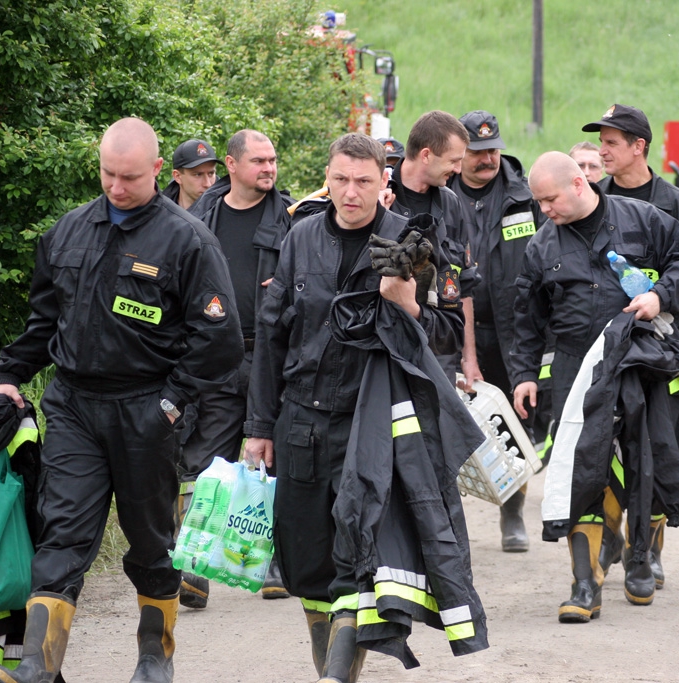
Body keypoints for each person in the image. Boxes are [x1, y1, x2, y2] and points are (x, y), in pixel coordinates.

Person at [0, 117, 243, 683]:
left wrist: (172, 404)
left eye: (129, 177)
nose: (117, 187)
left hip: (146, 411)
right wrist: (10, 375)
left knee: (151, 543)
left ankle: (155, 655)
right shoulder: (68, 232)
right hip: (75, 406)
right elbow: (43, 322)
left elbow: (220, 341)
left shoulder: (187, 240)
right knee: (62, 531)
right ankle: (36, 663)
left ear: (157, 170)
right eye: (108, 174)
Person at [242, 133, 485, 680]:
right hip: (302, 420)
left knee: (358, 560)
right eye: (341, 180)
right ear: (327, 179)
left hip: (372, 427)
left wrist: (408, 303)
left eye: (364, 182)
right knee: (307, 567)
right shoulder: (300, 237)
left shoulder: (414, 243)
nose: (350, 193)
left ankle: (336, 677)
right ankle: (327, 666)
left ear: (385, 183)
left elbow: (448, 331)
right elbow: (271, 335)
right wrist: (260, 426)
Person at [510, 151, 679, 622]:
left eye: (550, 199)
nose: (544, 210)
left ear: (579, 184)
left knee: (654, 461)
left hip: (643, 360)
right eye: (538, 202)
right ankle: (584, 585)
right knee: (583, 472)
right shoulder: (541, 246)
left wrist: (660, 295)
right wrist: (522, 377)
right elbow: (526, 320)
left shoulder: (645, 220)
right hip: (579, 368)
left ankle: (640, 557)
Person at [582, 103, 679, 586]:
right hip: (604, 351)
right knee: (600, 452)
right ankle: (612, 541)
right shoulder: (592, 200)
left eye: (612, 142)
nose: (602, 150)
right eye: (600, 141)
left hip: (661, 351)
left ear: (639, 147)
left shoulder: (674, 203)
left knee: (659, 451)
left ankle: (652, 546)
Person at [185, 129, 294, 606]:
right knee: (203, 461)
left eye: (272, 160)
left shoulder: (292, 219)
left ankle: (274, 563)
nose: (269, 168)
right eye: (259, 161)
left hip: (273, 355)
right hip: (217, 355)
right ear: (231, 165)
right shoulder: (199, 217)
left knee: (275, 460)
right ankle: (194, 566)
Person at [446, 110, 544, 553]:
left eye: (492, 150)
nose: (487, 160)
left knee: (513, 424)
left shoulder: (527, 197)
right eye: (476, 152)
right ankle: (446, 517)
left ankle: (512, 511)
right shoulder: (441, 194)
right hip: (452, 329)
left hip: (513, 330)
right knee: (446, 423)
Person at [386, 111, 476, 380]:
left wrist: (466, 357)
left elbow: (460, 284)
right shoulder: (379, 194)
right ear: (426, 155)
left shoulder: (451, 204)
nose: (459, 170)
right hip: (386, 347)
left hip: (437, 349)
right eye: (454, 161)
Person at [160, 138, 222, 210]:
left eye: (211, 173)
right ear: (177, 176)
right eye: (198, 174)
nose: (207, 184)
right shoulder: (159, 213)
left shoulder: (224, 210)